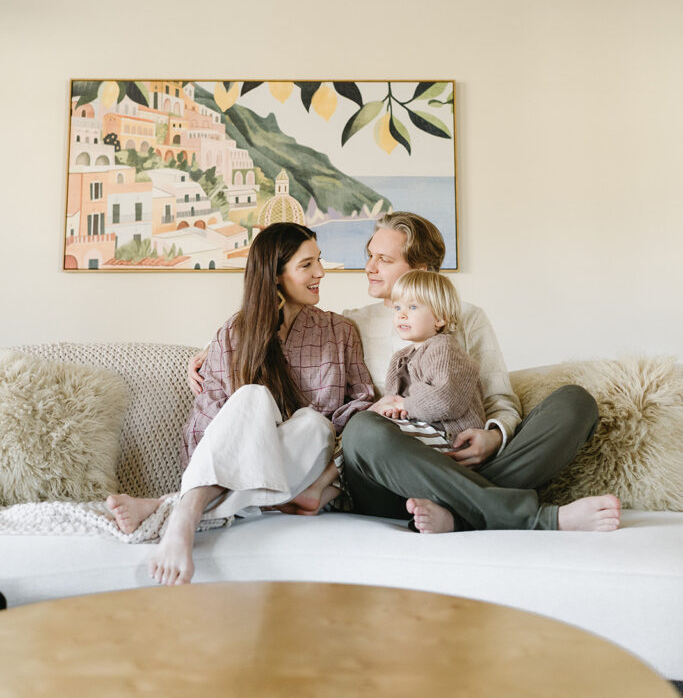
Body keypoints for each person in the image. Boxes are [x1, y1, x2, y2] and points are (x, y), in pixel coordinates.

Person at [188, 212, 619, 534]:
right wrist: (211, 349)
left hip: (462, 455)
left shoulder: (465, 317)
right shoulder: (350, 322)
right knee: (364, 431)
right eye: (369, 256)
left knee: (574, 402)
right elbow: (274, 331)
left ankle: (458, 513)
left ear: (422, 270)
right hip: (393, 474)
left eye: (383, 259)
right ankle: (530, 517)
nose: (369, 268)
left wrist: (494, 435)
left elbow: (501, 399)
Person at [107, 223, 374, 585]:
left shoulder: (339, 331)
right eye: (307, 265)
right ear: (276, 276)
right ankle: (185, 515)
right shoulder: (235, 333)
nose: (320, 272)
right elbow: (209, 419)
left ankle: (172, 507)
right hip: (255, 477)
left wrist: (330, 476)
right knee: (252, 396)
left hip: (305, 465)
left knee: (314, 424)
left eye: (319, 261)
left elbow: (360, 408)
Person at [369, 269, 485, 455]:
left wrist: (403, 405)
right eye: (397, 308)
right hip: (421, 428)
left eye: (412, 307)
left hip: (449, 435)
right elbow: (393, 401)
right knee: (366, 425)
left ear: (440, 318)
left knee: (372, 433)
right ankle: (329, 480)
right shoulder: (400, 357)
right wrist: (388, 407)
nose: (401, 315)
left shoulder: (443, 346)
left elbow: (445, 402)